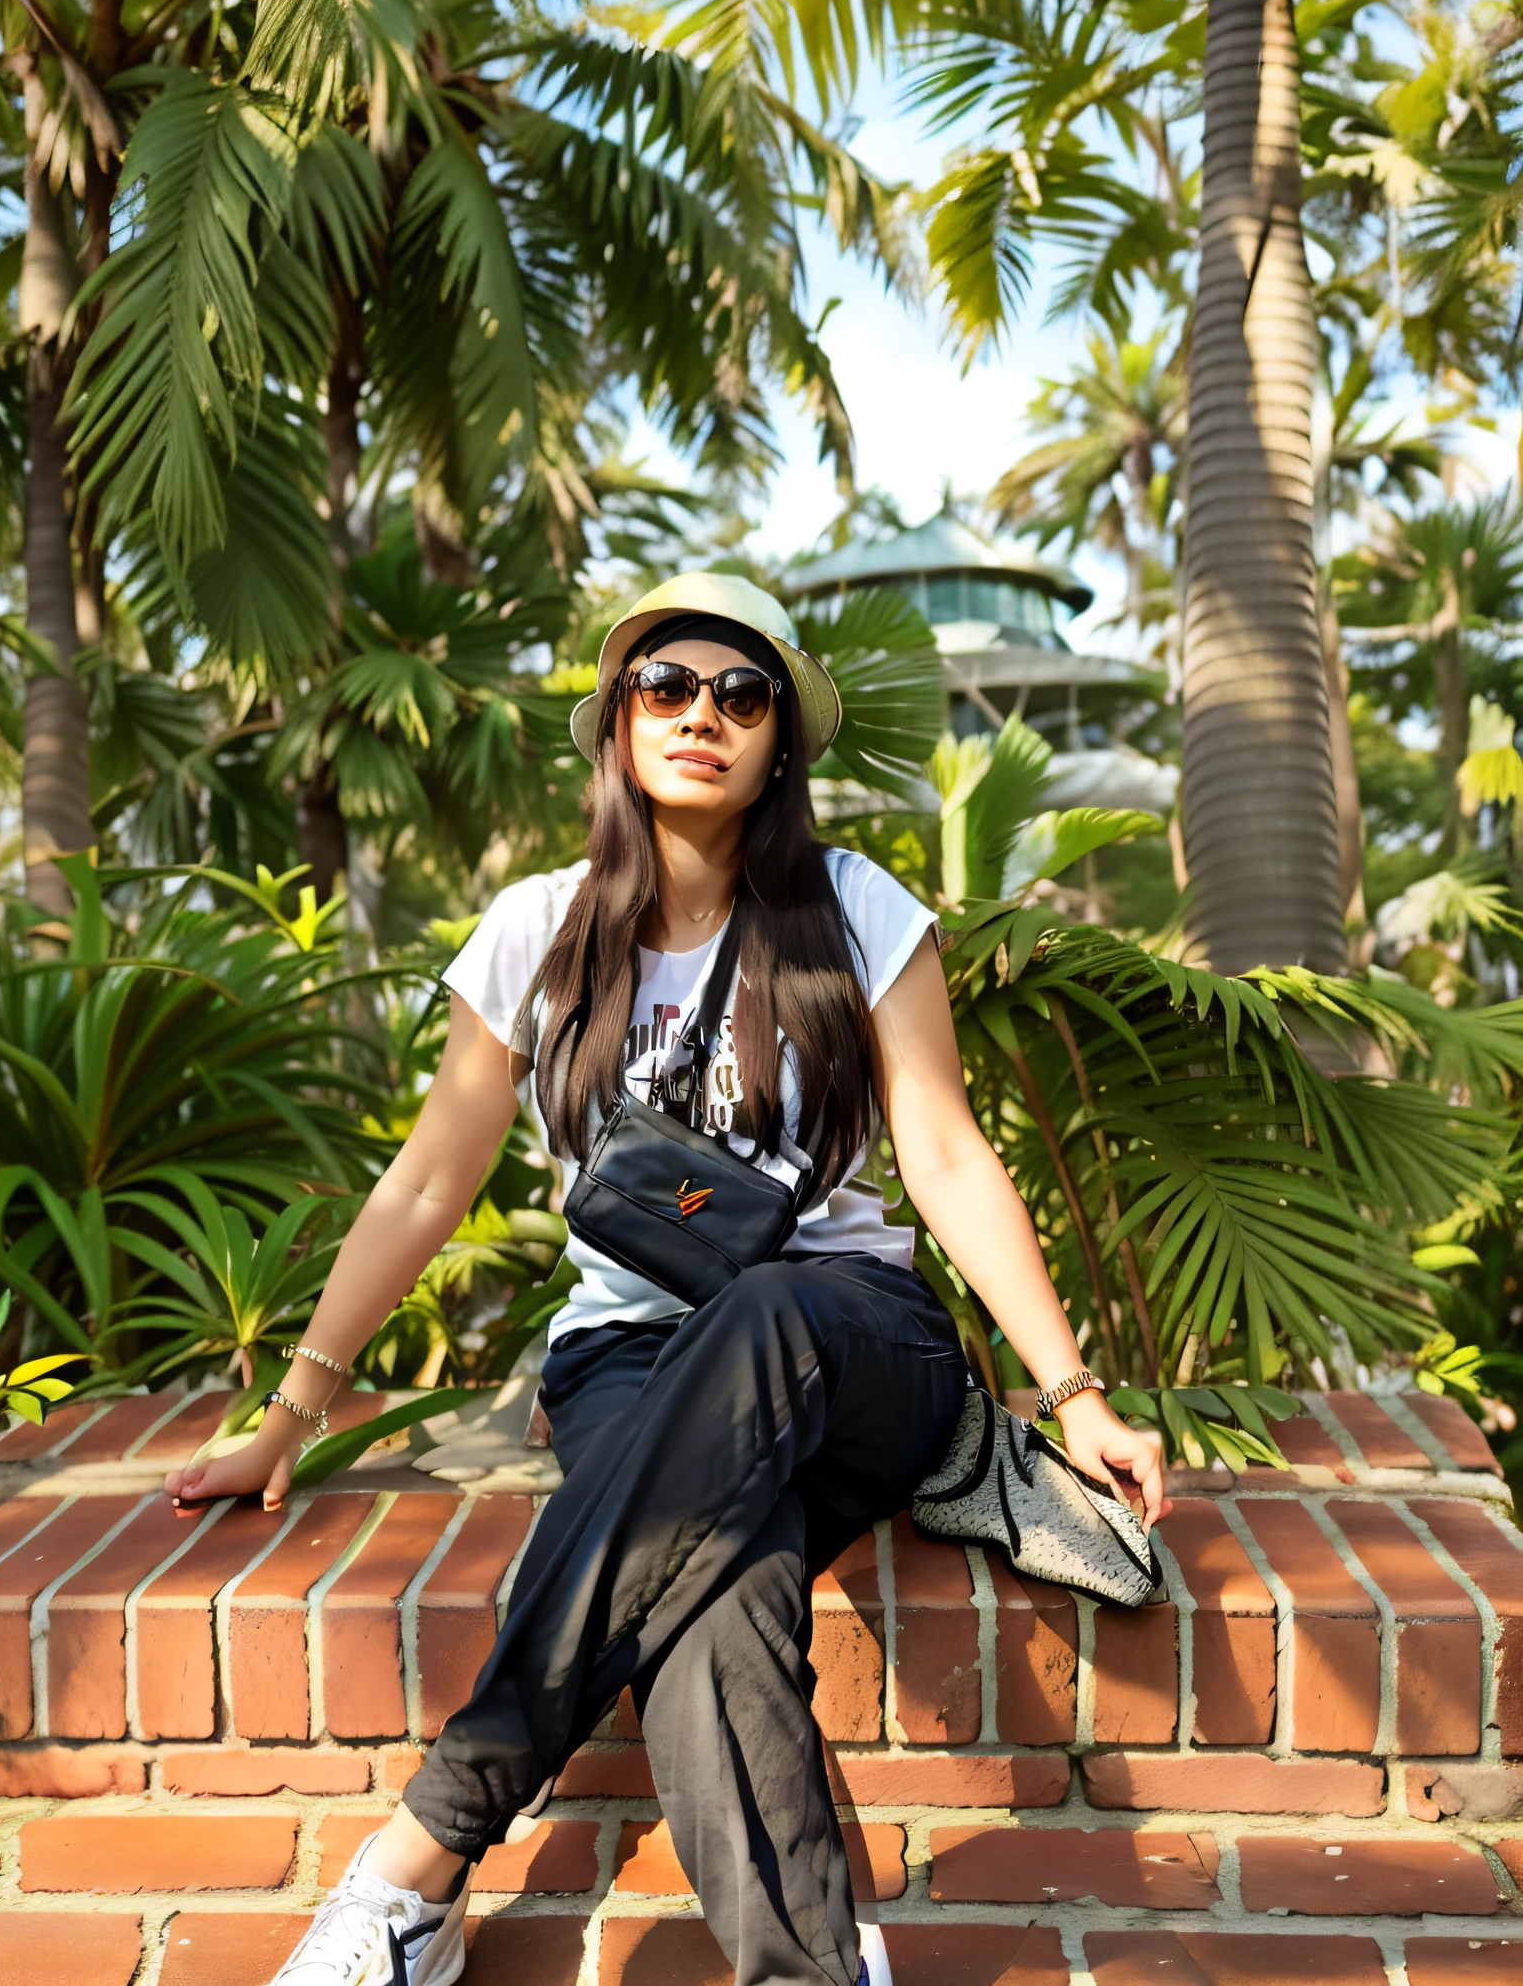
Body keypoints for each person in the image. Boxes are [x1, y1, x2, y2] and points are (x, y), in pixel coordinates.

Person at [165, 573, 1169, 1986]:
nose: (705, 715)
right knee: (721, 1601)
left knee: (770, 1311)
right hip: (633, 1362)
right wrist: (292, 1407)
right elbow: (425, 1183)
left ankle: (418, 1861)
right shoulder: (539, 929)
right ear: (619, 721)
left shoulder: (857, 911)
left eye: (742, 695)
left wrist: (1073, 1394)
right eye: (669, 687)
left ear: (778, 743)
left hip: (858, 1340)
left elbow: (942, 1153)